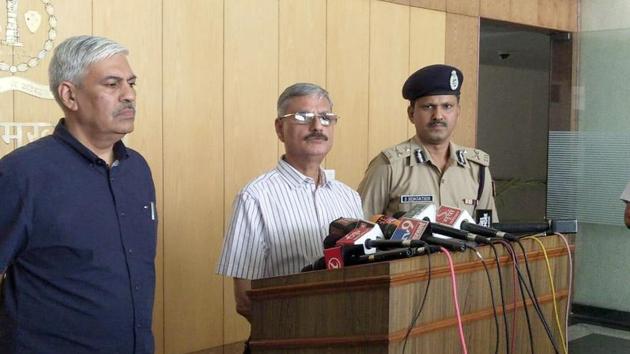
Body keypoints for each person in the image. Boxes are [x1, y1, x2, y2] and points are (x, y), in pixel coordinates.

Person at [0, 35, 157, 353]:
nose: (129, 96)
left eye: (131, 83)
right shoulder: (21, 174)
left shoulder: (137, 169)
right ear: (70, 95)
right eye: (112, 84)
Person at [216, 83, 363, 323]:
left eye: (326, 118)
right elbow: (245, 300)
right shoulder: (255, 198)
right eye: (303, 117)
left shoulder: (349, 197)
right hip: (288, 340)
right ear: (279, 128)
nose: (317, 126)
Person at [358, 64, 498, 221]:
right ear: (411, 114)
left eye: (447, 106)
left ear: (458, 111)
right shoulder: (388, 165)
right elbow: (361, 228)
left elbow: (489, 235)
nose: (438, 115)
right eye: (428, 106)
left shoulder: (477, 168)